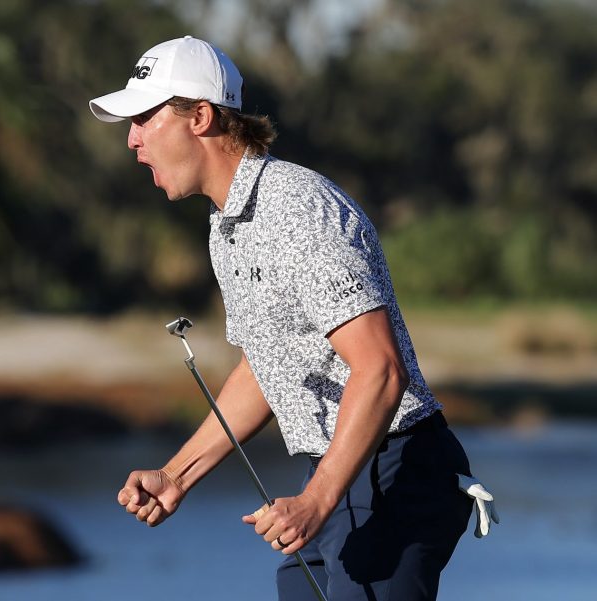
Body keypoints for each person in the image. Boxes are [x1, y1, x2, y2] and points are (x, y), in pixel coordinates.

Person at [89, 36, 495, 600]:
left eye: (143, 118)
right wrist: (177, 476)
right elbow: (268, 366)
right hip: (337, 473)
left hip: (392, 472)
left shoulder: (299, 210)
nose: (131, 140)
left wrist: (318, 498)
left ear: (200, 117)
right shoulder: (228, 225)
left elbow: (379, 370)